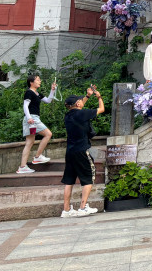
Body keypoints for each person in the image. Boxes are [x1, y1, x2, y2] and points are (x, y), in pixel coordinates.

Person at [60, 86, 105, 218]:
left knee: (69, 181)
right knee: (88, 178)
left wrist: (87, 96)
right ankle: (83, 207)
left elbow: (79, 107)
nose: (82, 101)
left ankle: (66, 210)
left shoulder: (68, 116)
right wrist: (99, 97)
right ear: (78, 104)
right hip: (81, 151)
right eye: (80, 101)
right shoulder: (81, 114)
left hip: (70, 152)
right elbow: (101, 109)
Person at [17, 74, 56, 174]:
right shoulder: (29, 92)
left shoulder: (37, 93)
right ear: (31, 82)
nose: (40, 81)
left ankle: (22, 167)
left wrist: (52, 90)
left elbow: (48, 101)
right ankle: (38, 157)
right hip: (32, 119)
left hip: (32, 119)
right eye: (38, 80)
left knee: (29, 142)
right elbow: (25, 106)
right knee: (48, 134)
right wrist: (29, 118)